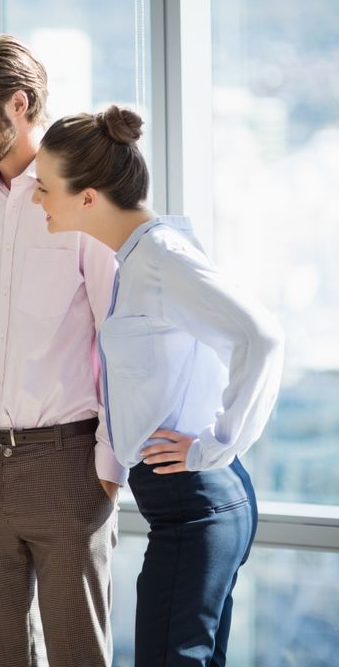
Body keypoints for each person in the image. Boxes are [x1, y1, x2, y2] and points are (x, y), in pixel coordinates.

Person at [33, 105, 284, 666]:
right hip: (195, 505)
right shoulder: (143, 256)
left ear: (88, 196)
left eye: (45, 187)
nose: (37, 199)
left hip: (196, 504)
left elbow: (261, 336)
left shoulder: (160, 258)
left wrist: (216, 444)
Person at [0, 33, 124, 666]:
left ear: (18, 104)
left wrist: (107, 463)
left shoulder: (84, 198)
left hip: (67, 467)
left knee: (78, 657)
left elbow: (116, 333)